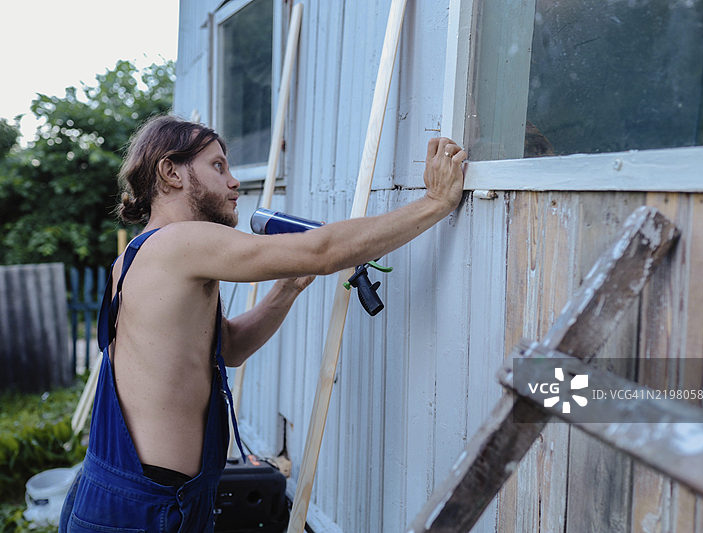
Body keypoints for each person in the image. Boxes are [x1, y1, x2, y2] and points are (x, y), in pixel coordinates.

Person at [59, 115, 467, 533]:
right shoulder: (179, 242)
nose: (234, 181)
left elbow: (229, 347)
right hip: (143, 508)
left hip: (145, 500)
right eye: (218, 166)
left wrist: (285, 290)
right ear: (171, 172)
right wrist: (435, 202)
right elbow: (323, 249)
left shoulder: (141, 254)